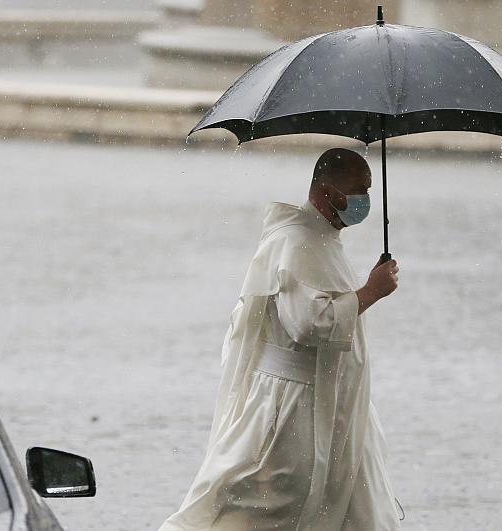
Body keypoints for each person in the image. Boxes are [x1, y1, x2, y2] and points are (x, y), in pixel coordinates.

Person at [160, 148, 402, 530]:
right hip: (294, 407)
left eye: (369, 190)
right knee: (267, 504)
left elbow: (328, 305)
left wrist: (365, 289)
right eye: (358, 190)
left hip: (335, 399)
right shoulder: (296, 241)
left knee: (353, 507)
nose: (365, 201)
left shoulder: (323, 239)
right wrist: (370, 291)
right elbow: (306, 324)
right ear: (325, 191)